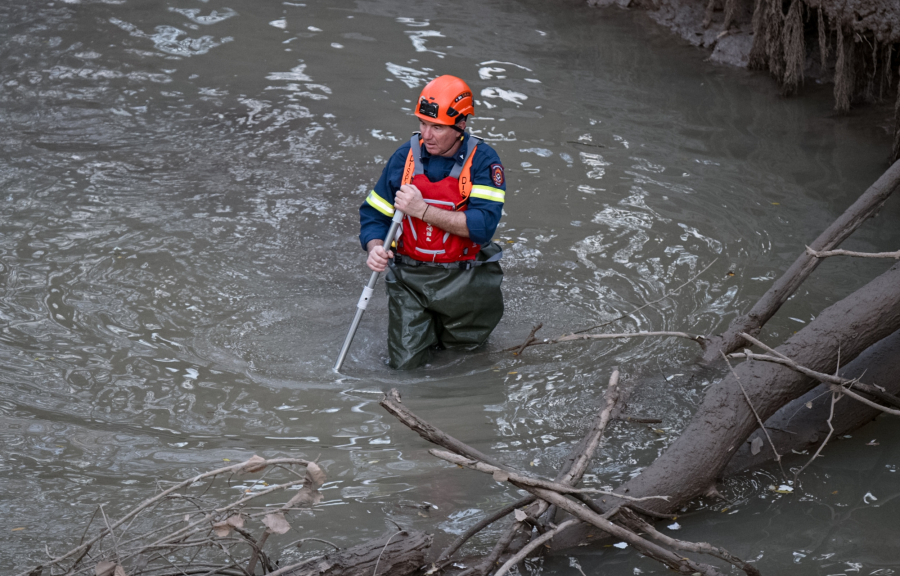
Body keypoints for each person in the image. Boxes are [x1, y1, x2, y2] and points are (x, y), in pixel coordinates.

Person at [359, 75, 507, 369]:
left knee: (466, 360)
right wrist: (375, 247)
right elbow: (374, 215)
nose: (427, 135)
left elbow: (482, 226)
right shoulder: (404, 158)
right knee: (405, 366)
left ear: (460, 126)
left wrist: (422, 210)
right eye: (423, 124)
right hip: (409, 278)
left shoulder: (484, 161)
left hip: (466, 280)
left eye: (437, 127)